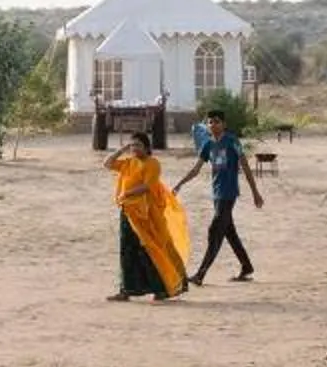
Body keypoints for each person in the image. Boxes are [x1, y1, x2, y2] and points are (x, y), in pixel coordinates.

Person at [107, 134, 192, 302]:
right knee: (128, 251)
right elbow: (107, 163)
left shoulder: (152, 163)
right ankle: (127, 289)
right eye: (132, 146)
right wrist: (122, 149)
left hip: (147, 214)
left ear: (147, 147)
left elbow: (147, 186)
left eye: (138, 145)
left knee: (152, 248)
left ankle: (165, 288)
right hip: (129, 212)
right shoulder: (129, 162)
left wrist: (127, 193)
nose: (134, 149)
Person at [179, 115, 262, 284]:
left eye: (217, 121)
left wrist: (255, 192)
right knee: (229, 232)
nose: (213, 125)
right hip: (216, 194)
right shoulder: (207, 145)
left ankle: (200, 275)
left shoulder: (232, 141)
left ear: (224, 124)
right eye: (210, 122)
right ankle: (246, 266)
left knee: (214, 230)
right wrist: (180, 184)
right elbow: (196, 169)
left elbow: (244, 164)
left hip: (229, 193)